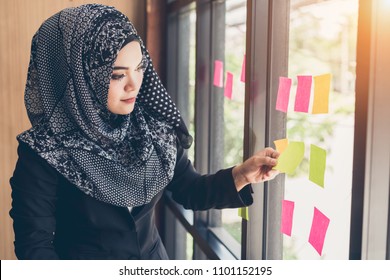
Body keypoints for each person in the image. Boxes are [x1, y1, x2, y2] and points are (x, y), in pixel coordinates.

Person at [9, 4, 279, 260]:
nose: (133, 85)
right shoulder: (44, 151)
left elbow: (189, 189)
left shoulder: (152, 126)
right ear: (79, 78)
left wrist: (242, 174)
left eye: (139, 68)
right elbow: (35, 247)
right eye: (116, 75)